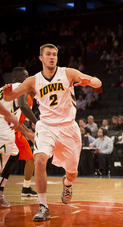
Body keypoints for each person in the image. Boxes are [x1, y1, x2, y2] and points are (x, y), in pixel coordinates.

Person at [3, 43, 102, 221]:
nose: (52, 57)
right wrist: (8, 93)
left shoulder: (68, 73)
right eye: (48, 54)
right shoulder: (33, 80)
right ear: (41, 58)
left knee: (72, 172)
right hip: (46, 126)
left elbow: (98, 82)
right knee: (39, 160)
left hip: (68, 128)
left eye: (54, 54)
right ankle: (43, 206)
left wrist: (90, 81)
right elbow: (11, 97)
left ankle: (68, 183)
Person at [11, 67, 39, 197]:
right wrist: (33, 125)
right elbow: (12, 117)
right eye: (26, 77)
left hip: (16, 129)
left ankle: (26, 188)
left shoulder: (28, 95)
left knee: (30, 159)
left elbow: (17, 119)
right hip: (8, 129)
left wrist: (27, 131)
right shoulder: (20, 92)